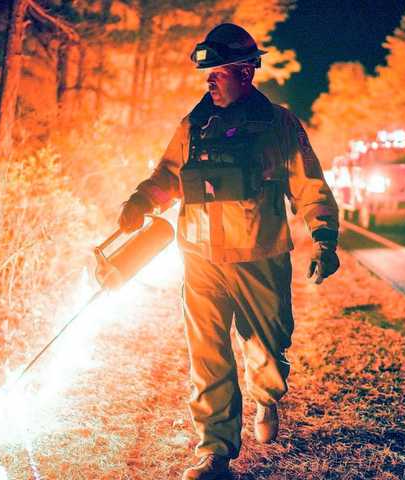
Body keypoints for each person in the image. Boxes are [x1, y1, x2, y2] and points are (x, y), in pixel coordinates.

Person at [118, 23, 340, 480]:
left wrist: (324, 238)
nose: (210, 81)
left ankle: (266, 395)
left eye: (218, 73)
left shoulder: (277, 124)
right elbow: (168, 176)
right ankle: (215, 454)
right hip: (199, 259)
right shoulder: (193, 126)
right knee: (208, 357)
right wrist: (142, 200)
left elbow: (309, 186)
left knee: (267, 349)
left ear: (245, 73)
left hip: (260, 256)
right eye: (208, 74)